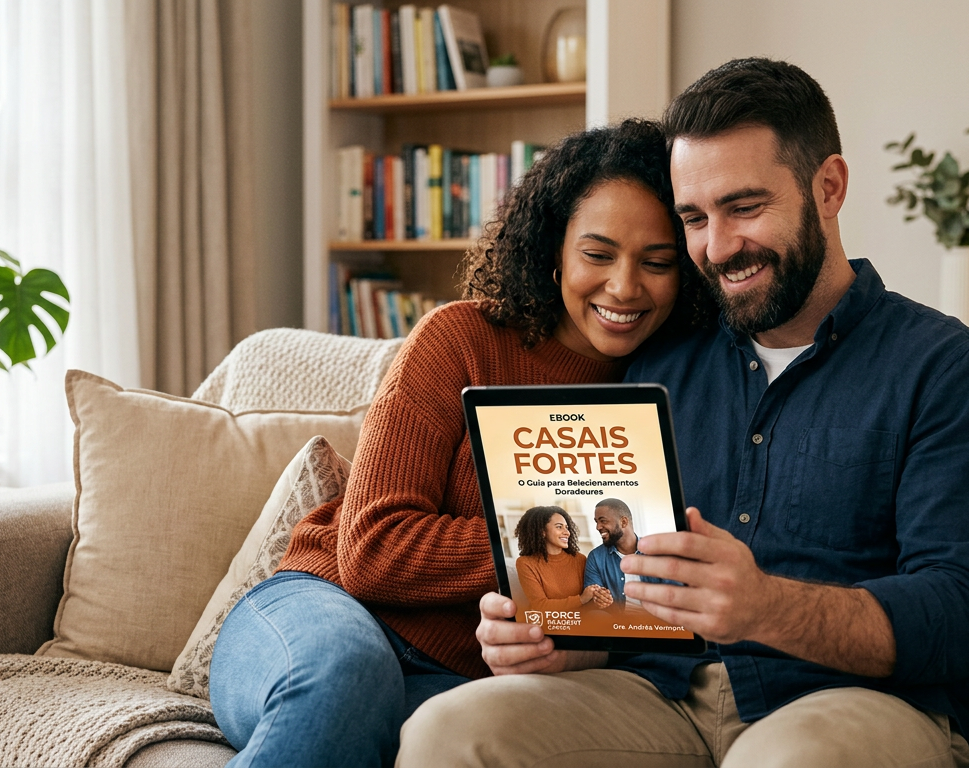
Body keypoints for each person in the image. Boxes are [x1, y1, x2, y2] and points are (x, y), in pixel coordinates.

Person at [398, 59, 969, 768]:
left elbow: (963, 613)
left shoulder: (946, 369)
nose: (718, 246)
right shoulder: (659, 368)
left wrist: (767, 607)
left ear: (829, 187)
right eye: (695, 218)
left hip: (850, 705)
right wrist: (556, 640)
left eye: (745, 207)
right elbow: (624, 602)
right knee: (447, 729)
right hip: (660, 700)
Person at [206, 118, 714, 768]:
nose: (624, 286)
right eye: (597, 254)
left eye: (658, 262)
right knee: (350, 680)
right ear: (551, 248)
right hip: (321, 611)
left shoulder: (681, 388)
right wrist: (562, 549)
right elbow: (369, 549)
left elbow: (638, 600)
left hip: (463, 676)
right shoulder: (461, 338)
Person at [513, 506, 611, 611]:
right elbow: (540, 606)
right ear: (542, 531)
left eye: (567, 527)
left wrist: (601, 599)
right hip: (552, 623)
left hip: (581, 619)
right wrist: (581, 599)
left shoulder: (579, 559)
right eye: (559, 527)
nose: (567, 532)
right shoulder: (525, 563)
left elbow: (589, 599)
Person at [582, 498, 665, 609]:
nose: (598, 527)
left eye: (603, 521)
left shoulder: (657, 552)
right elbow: (592, 597)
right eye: (596, 522)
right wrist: (600, 599)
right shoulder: (596, 557)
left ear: (623, 522)